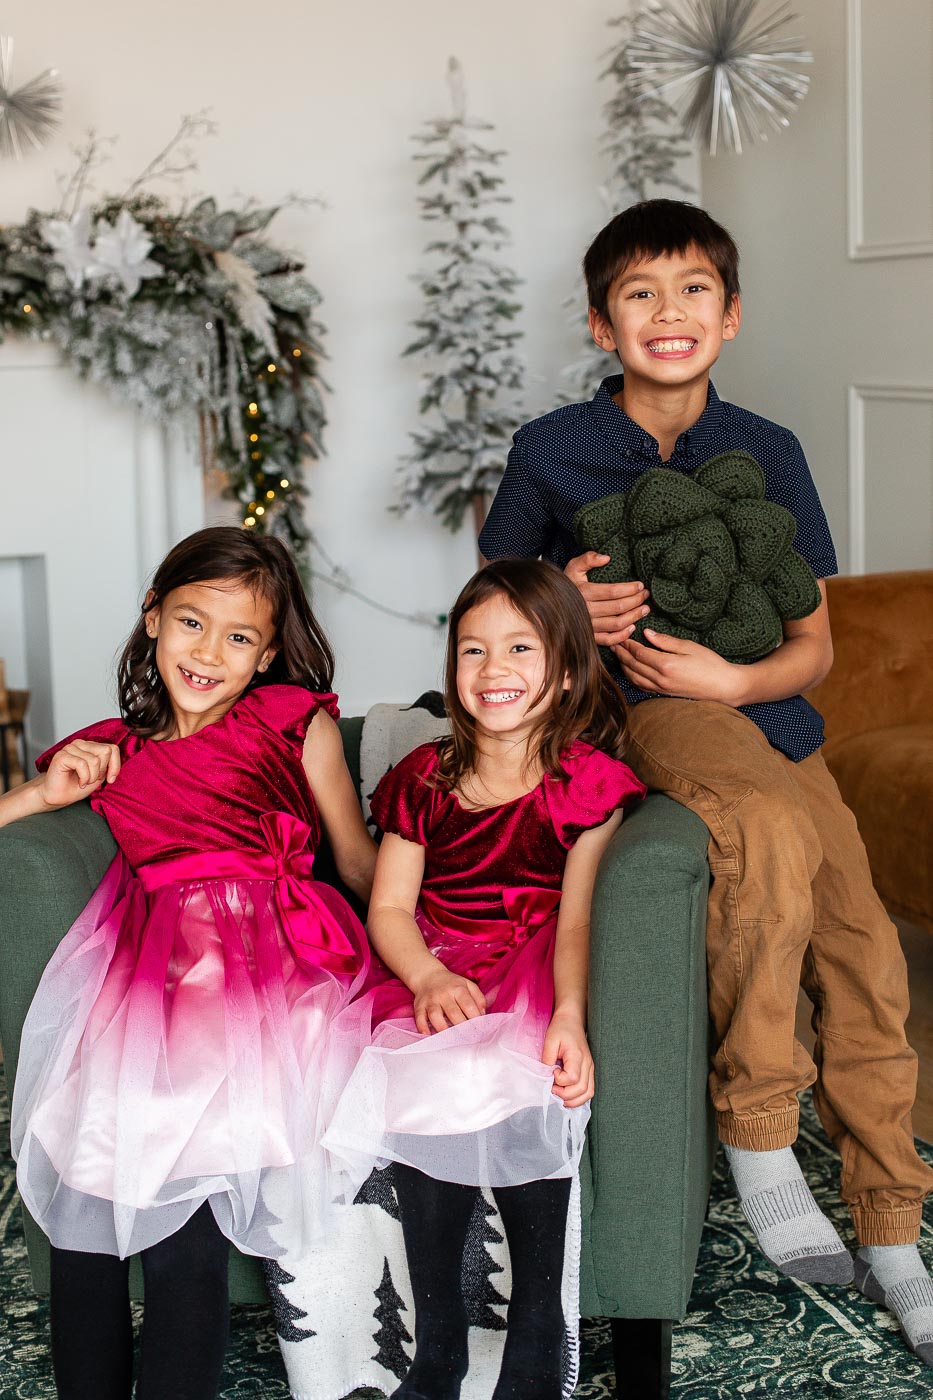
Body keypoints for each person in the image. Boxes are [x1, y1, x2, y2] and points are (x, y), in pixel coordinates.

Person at [479, 199, 933, 1369]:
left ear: (731, 315)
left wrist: (738, 679)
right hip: (649, 710)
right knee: (761, 829)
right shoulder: (552, 449)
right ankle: (761, 1127)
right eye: (640, 292)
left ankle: (893, 1226)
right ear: (601, 323)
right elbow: (494, 614)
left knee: (867, 951)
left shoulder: (770, 449)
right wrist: (566, 605)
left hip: (767, 713)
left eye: (693, 289)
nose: (667, 311)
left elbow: (814, 642)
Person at [3, 526, 377, 1400]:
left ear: (268, 653)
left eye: (238, 636)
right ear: (152, 618)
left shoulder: (294, 722)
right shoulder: (114, 751)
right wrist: (45, 792)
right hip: (144, 994)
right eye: (190, 623)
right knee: (83, 1213)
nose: (208, 653)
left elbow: (359, 864)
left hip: (269, 987)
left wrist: (431, 954)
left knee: (182, 1237)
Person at [322, 558, 646, 1400]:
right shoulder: (423, 780)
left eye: (519, 648)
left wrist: (568, 1015)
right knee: (421, 1077)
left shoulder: (587, 785)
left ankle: (536, 1333)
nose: (493, 668)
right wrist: (426, 977)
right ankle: (438, 1346)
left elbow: (575, 921)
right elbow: (388, 908)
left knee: (524, 1075)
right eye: (473, 650)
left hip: (532, 959)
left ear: (566, 670)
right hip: (434, 958)